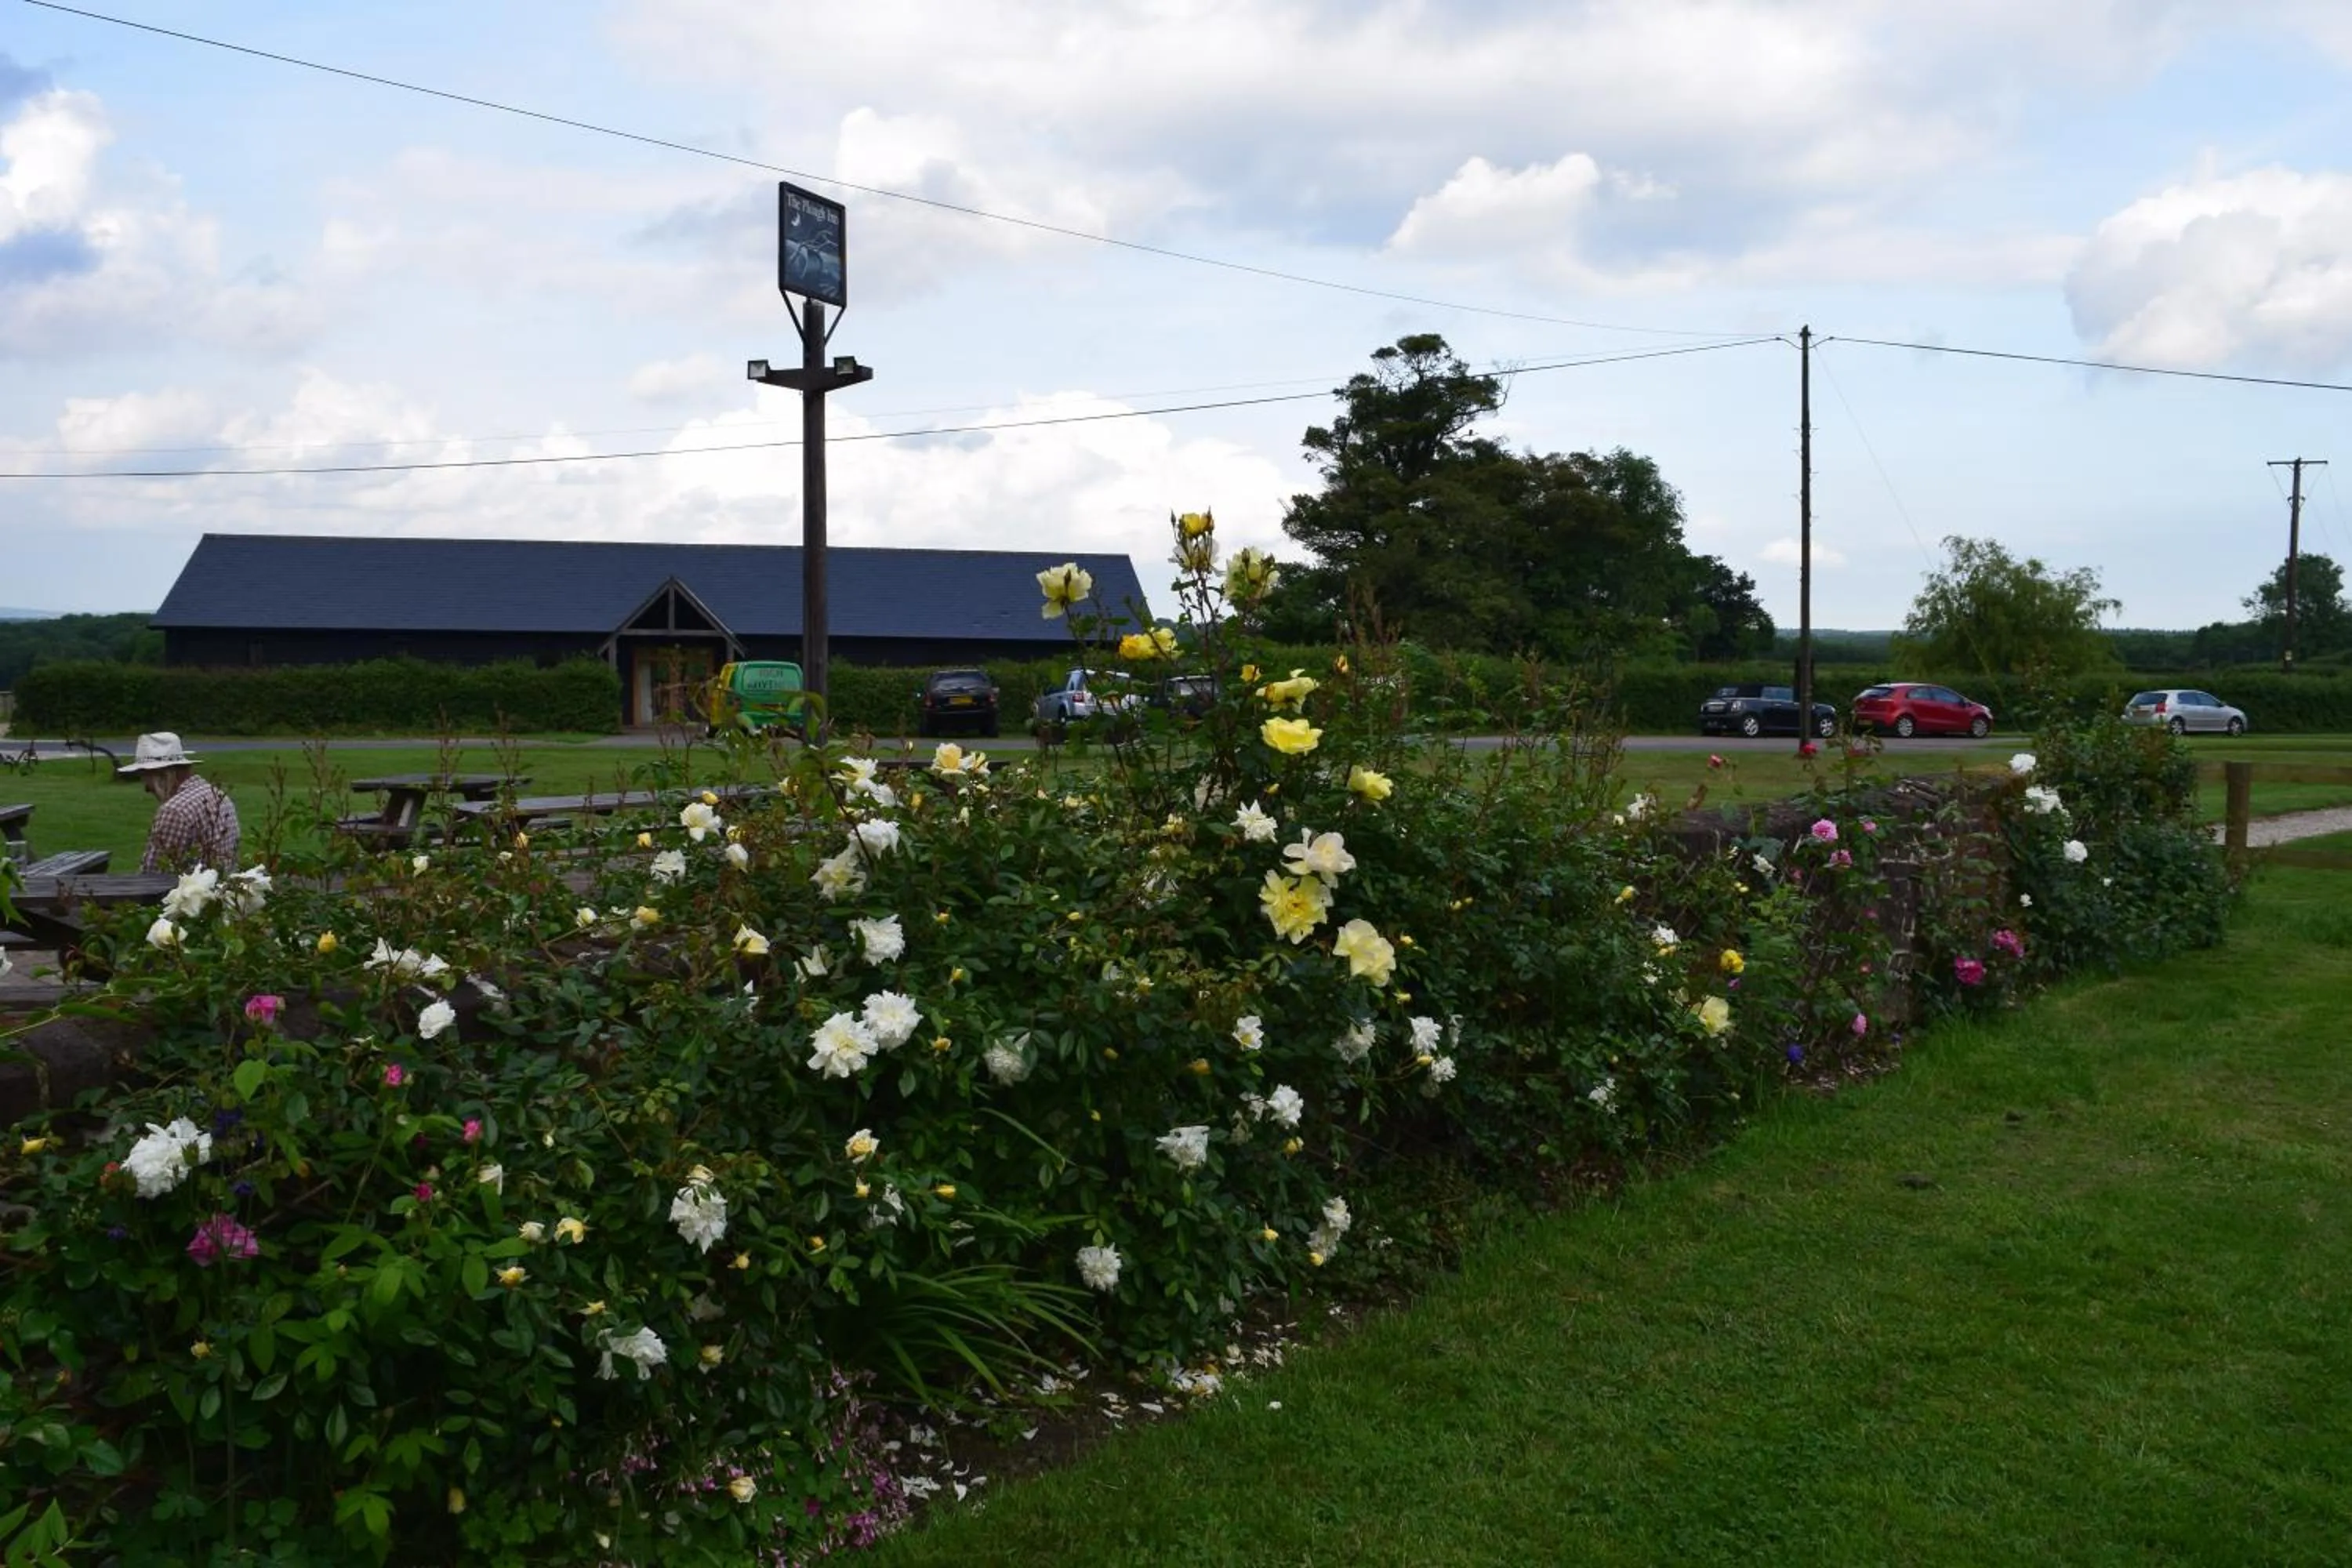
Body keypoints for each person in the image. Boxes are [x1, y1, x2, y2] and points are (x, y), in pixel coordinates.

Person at [119, 732, 240, 874]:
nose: (147, 788)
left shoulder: (175, 811)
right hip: (223, 890)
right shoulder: (220, 796)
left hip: (192, 894)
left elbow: (152, 876)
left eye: (145, 776)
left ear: (161, 774)